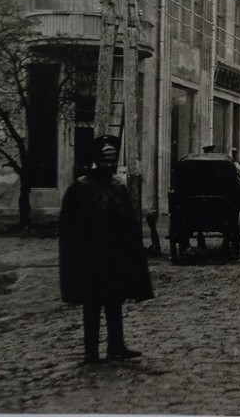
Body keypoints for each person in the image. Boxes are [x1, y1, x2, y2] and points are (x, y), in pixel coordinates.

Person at [59, 135, 153, 364]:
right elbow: (69, 228)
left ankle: (116, 345)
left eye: (112, 161)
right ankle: (91, 351)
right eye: (104, 161)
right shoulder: (81, 188)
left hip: (115, 257)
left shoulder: (118, 187)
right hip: (91, 259)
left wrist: (130, 256)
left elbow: (128, 225)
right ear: (95, 161)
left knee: (114, 301)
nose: (109, 166)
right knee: (92, 304)